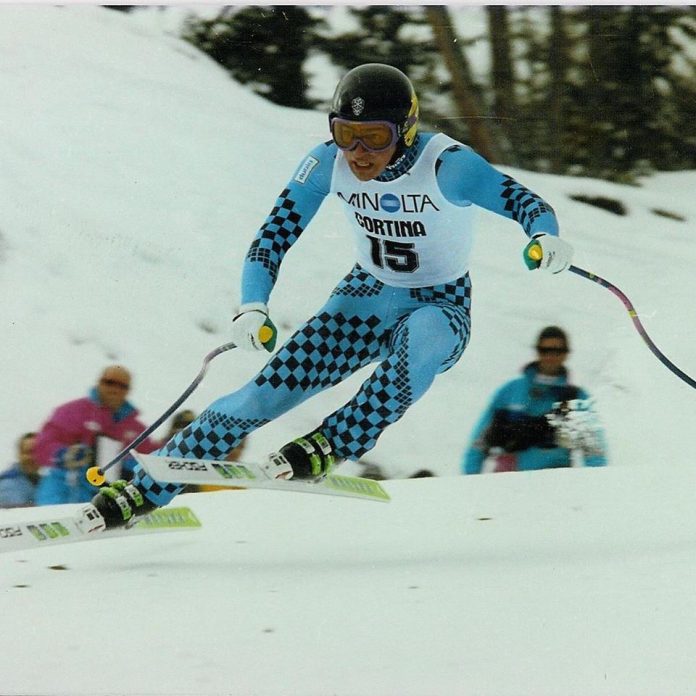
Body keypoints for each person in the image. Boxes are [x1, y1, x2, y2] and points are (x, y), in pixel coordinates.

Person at [91, 63, 574, 528]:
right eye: (346, 134)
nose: (359, 152)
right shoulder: (324, 162)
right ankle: (143, 488)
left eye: (375, 137)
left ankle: (334, 441)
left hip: (440, 303)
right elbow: (272, 237)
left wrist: (543, 235)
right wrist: (252, 305)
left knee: (421, 343)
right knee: (255, 400)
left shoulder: (449, 165)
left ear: (405, 130)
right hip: (363, 299)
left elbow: (527, 202)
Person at [462, 326, 607, 474]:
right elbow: (479, 443)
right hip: (506, 484)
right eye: (545, 350)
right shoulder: (510, 391)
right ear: (537, 351)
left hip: (555, 484)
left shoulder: (576, 399)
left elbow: (593, 450)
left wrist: (595, 483)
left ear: (566, 354)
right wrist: (469, 481)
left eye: (557, 351)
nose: (550, 356)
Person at [34, 365, 158, 505]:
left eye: (122, 385)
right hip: (64, 493)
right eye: (109, 382)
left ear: (128, 390)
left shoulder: (137, 429)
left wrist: (127, 465)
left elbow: (152, 463)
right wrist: (65, 455)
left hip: (112, 502)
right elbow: (42, 447)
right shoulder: (72, 411)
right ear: (99, 382)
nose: (115, 389)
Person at [0, 432, 39, 507]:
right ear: (19, 454)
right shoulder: (8, 484)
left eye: (36, 453)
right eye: (28, 452)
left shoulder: (42, 482)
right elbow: (21, 516)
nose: (32, 457)